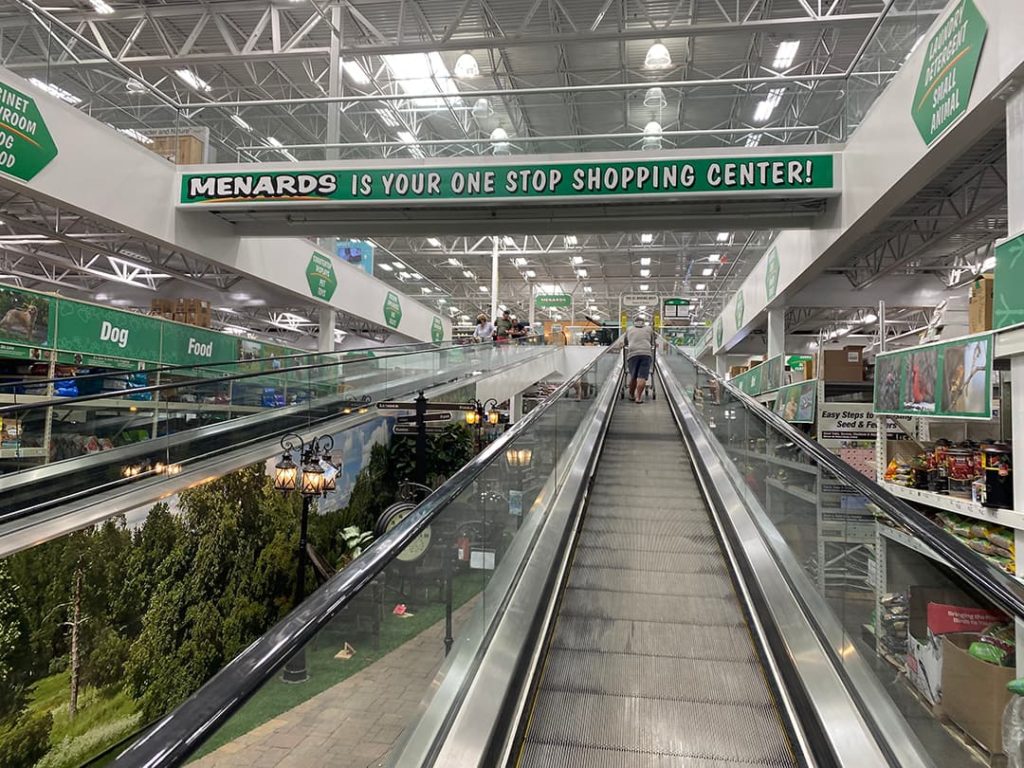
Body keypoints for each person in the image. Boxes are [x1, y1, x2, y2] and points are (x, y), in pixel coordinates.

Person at [624, 313, 655, 403]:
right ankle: (638, 398)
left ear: (634, 322)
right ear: (643, 322)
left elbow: (626, 342)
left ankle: (631, 395)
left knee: (633, 376)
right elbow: (652, 342)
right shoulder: (649, 329)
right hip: (646, 354)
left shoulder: (629, 329)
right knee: (642, 376)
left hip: (632, 354)